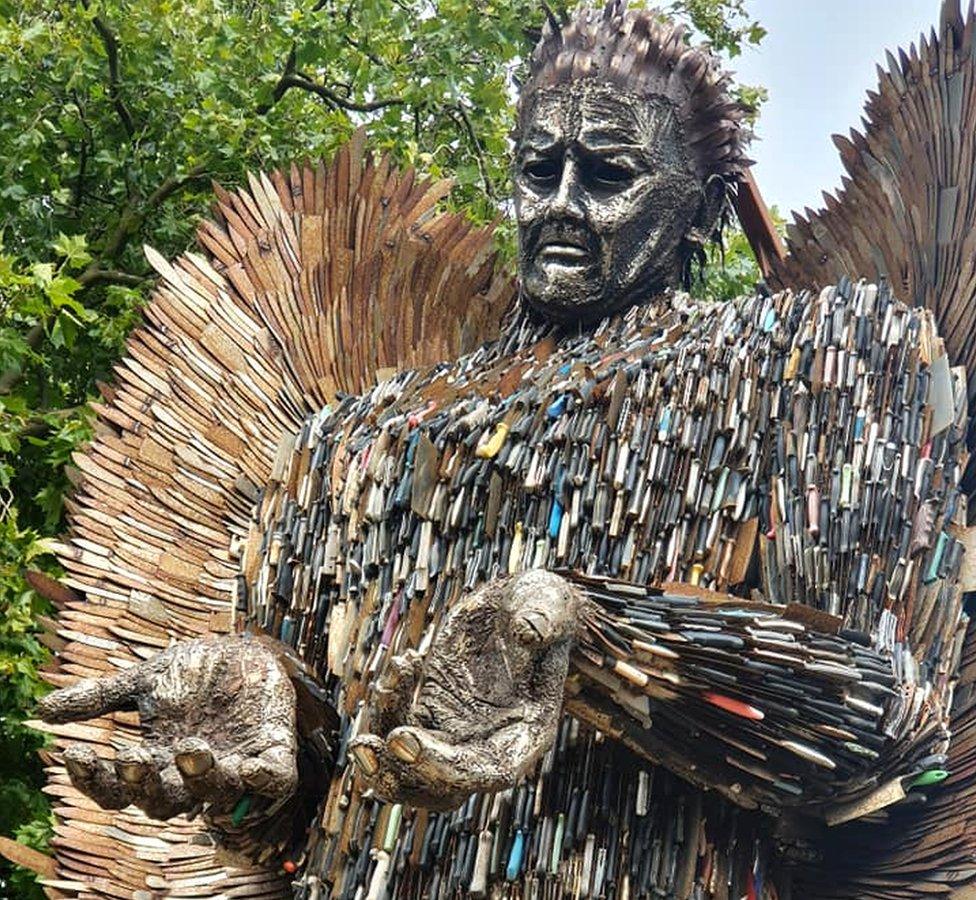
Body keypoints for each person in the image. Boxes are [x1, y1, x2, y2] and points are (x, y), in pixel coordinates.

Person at [33, 2, 976, 898]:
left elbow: (895, 743)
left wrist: (591, 638)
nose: (562, 205)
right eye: (538, 169)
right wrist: (258, 724)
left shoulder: (802, 365)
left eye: (608, 176)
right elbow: (301, 820)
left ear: (702, 209)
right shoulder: (352, 442)